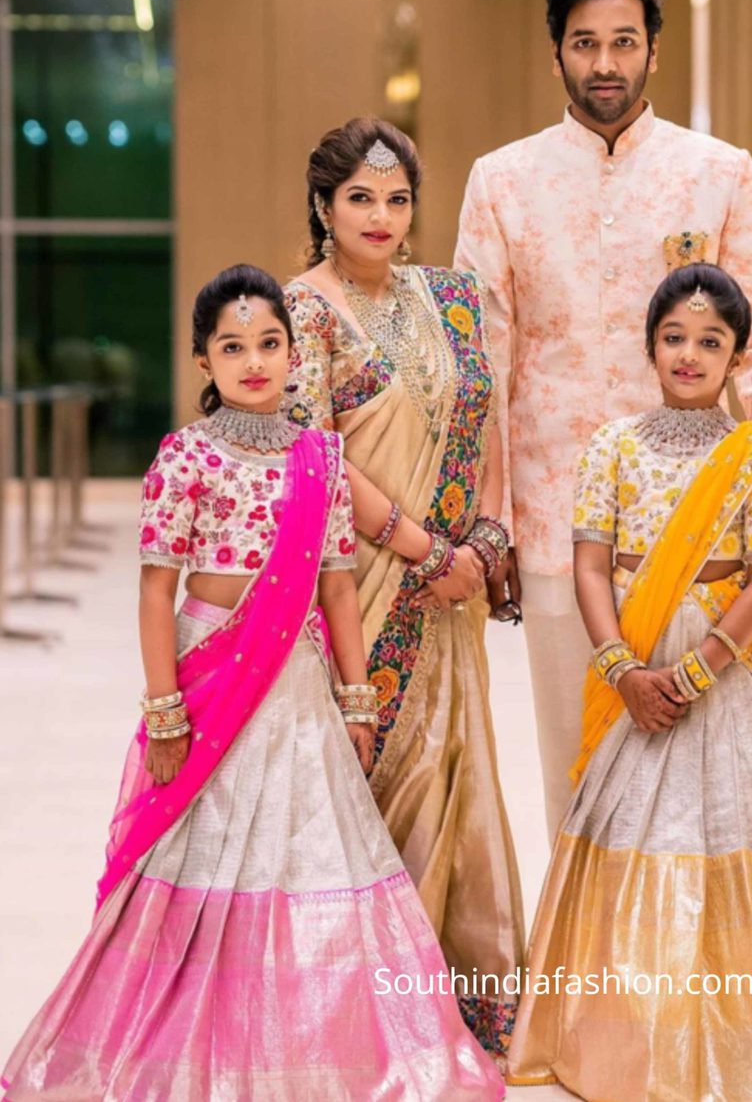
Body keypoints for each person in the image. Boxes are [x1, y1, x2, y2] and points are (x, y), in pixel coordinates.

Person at [1, 264, 505, 1101]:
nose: (255, 361)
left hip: (300, 681)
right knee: (207, 850)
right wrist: (164, 709)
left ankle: (314, 1045)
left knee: (310, 853)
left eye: (269, 343)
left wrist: (356, 696)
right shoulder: (184, 456)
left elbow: (339, 585)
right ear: (204, 361)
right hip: (212, 677)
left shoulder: (323, 459)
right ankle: (189, 1036)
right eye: (232, 346)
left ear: (291, 355)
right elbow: (158, 588)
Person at [504, 263, 752, 1102]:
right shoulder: (613, 443)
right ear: (651, 346)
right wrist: (623, 667)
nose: (690, 354)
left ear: (735, 357)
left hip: (720, 671)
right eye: (675, 338)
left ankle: (745, 1041)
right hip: (635, 657)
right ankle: (629, 1037)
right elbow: (588, 565)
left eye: (710, 341)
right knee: (632, 832)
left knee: (735, 835)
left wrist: (696, 668)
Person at [455, 0, 752, 841]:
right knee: (574, 767)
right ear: (555, 55)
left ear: (655, 48)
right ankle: (584, 971)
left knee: (704, 776)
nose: (604, 64)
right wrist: (484, 514)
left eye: (622, 42)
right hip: (551, 519)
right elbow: (478, 367)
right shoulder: (502, 181)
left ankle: (683, 975)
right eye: (584, 44)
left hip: (700, 527)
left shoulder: (720, 172)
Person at [283, 119, 525, 1062]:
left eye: (396, 199)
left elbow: (487, 412)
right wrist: (425, 549)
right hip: (362, 582)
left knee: (451, 773)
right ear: (323, 207)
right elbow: (317, 460)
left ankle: (455, 995)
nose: (381, 217)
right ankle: (364, 1006)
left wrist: (487, 538)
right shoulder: (302, 311)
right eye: (359, 199)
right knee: (371, 776)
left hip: (454, 585)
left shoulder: (451, 299)